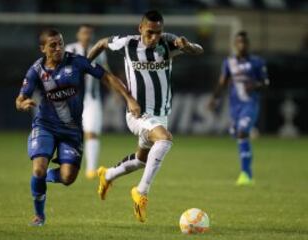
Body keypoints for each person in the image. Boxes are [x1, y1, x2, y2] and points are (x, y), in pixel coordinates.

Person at [15, 28, 140, 226]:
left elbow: (106, 77)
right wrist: (22, 103)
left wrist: (128, 99)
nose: (58, 48)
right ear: (42, 48)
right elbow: (20, 98)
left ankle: (40, 178)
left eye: (60, 43)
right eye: (52, 45)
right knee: (38, 168)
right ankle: (39, 215)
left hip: (71, 130)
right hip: (45, 126)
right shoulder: (36, 70)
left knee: (67, 178)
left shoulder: (77, 62)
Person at [88, 10, 203, 222]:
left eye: (158, 33)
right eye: (149, 32)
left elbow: (198, 50)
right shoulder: (127, 44)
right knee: (165, 139)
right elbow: (102, 43)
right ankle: (141, 191)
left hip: (160, 115)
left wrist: (187, 46)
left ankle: (108, 175)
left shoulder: (168, 43)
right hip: (137, 113)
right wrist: (84, 65)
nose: (153, 38)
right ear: (140, 28)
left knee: (142, 160)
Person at [208, 30, 269, 186]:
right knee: (237, 133)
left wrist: (255, 85)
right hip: (235, 107)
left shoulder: (257, 62)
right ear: (235, 45)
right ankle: (244, 133)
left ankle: (246, 175)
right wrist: (214, 98)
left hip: (250, 104)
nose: (241, 45)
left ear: (248, 44)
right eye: (238, 42)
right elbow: (222, 82)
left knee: (242, 133)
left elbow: (266, 83)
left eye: (244, 42)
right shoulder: (229, 63)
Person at [65, 24, 109, 179]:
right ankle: (69, 163)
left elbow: (105, 73)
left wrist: (117, 91)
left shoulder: (99, 51)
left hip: (92, 98)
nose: (86, 35)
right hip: (72, 98)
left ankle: (91, 169)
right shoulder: (69, 50)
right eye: (84, 32)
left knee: (92, 132)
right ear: (78, 34)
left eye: (89, 33)